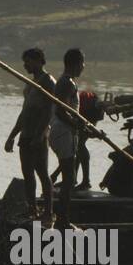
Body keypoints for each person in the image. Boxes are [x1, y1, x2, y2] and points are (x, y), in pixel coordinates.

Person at [4, 47, 56, 223]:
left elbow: (49, 111)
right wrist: (12, 136)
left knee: (42, 172)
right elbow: (24, 112)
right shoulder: (30, 83)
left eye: (28, 61)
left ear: (39, 61)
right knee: (27, 173)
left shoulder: (48, 81)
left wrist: (40, 135)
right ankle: (32, 209)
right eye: (24, 62)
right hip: (26, 134)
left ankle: (48, 211)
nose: (25, 65)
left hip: (39, 135)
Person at [48, 48, 85, 228]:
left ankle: (61, 216)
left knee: (68, 175)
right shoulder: (67, 83)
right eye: (82, 63)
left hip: (63, 131)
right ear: (75, 63)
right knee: (69, 178)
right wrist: (75, 125)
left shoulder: (67, 82)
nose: (83, 67)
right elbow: (61, 111)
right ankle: (63, 220)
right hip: (63, 132)